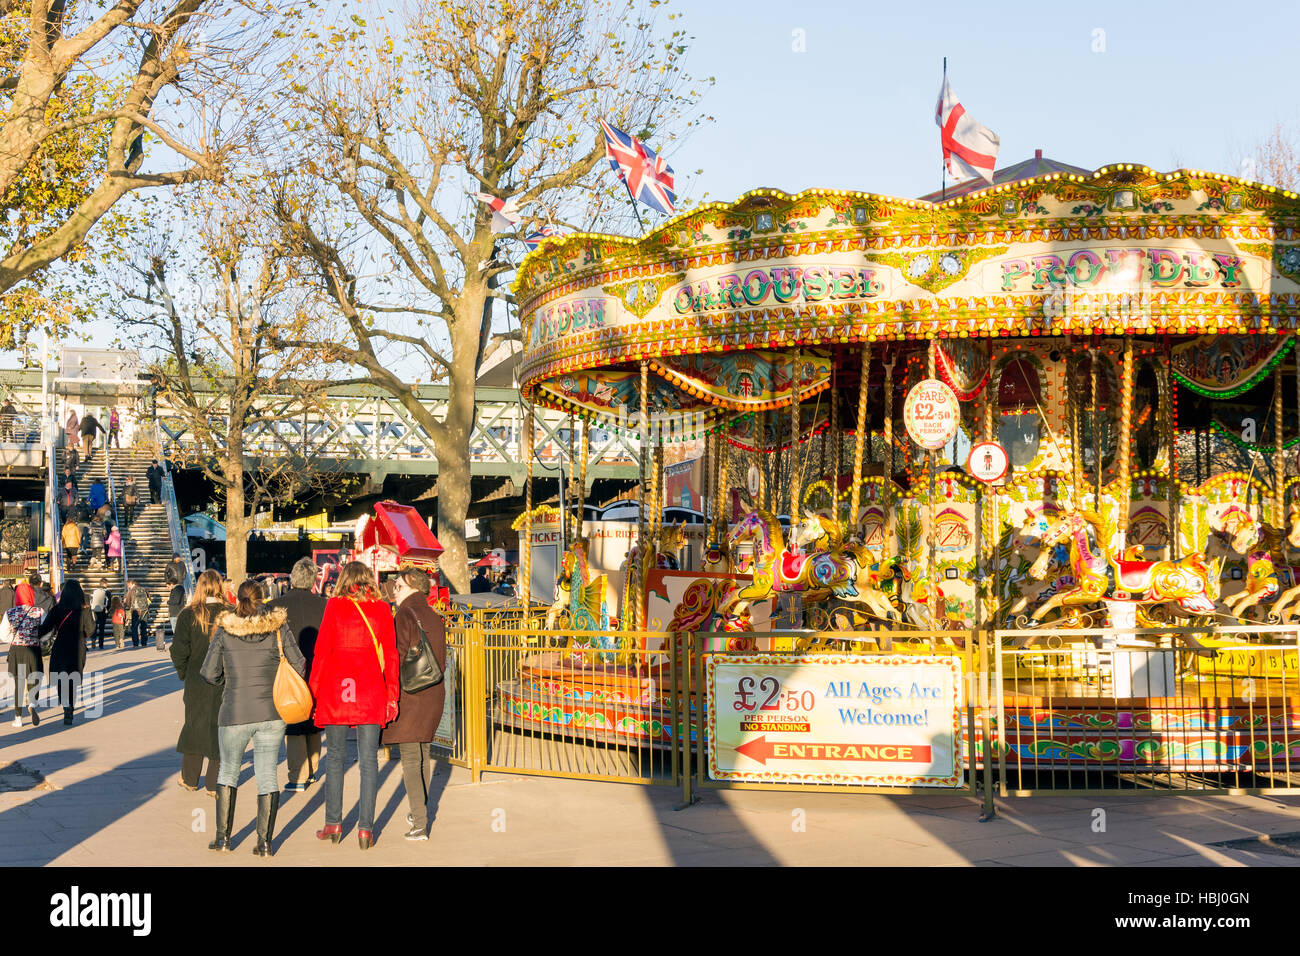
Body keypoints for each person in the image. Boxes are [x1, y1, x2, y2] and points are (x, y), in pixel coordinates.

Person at [200, 579, 306, 856]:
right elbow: (300, 664)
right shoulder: (278, 627)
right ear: (263, 599)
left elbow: (209, 673)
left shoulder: (225, 629)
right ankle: (265, 843)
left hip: (234, 710)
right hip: (272, 713)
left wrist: (228, 680)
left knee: (228, 771)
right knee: (268, 775)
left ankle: (223, 839)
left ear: (237, 599)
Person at [309, 561, 399, 849]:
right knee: (369, 761)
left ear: (344, 580)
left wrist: (314, 689)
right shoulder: (383, 609)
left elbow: (321, 651)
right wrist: (392, 694)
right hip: (371, 691)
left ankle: (333, 823)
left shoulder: (334, 607)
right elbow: (392, 655)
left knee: (335, 758)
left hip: (337, 691)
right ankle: (365, 829)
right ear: (370, 580)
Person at [381, 568, 446, 841]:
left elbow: (396, 657)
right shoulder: (434, 616)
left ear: (409, 586)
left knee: (410, 757)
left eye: (396, 585)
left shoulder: (404, 615)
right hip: (433, 694)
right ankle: (420, 811)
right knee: (422, 754)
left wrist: (389, 694)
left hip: (410, 694)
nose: (393, 590)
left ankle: (420, 823)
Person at [267, 557, 328, 792]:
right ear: (313, 579)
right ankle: (312, 769)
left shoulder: (275, 606)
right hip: (317, 670)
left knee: (292, 720)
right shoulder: (324, 605)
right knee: (314, 720)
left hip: (288, 670)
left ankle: (297, 775)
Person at [171, 570, 228, 797]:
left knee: (194, 725)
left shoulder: (188, 615)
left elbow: (178, 651)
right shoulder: (229, 613)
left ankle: (190, 778)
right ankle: (214, 783)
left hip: (196, 678)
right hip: (224, 679)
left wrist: (183, 673)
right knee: (219, 728)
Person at [38, 580, 94, 725]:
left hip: (61, 647)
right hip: (78, 648)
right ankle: (70, 708)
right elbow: (91, 630)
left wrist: (29, 632)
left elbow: (45, 628)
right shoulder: (84, 609)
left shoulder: (57, 609)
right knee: (72, 680)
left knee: (61, 679)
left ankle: (66, 706)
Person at [4, 602, 46, 726]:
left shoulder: (10, 612)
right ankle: (32, 703)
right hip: (33, 649)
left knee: (19, 683)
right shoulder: (39, 611)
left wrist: (14, 639)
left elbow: (3, 634)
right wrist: (38, 639)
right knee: (34, 678)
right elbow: (46, 630)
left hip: (17, 650)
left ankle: (18, 718)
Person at [125, 580, 150, 648]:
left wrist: (129, 606)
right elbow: (149, 600)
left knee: (134, 628)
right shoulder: (144, 590)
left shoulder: (131, 591)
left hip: (135, 611)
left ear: (132, 583)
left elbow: (127, 603)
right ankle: (144, 643)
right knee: (144, 627)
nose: (128, 586)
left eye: (129, 584)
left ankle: (135, 644)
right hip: (144, 611)